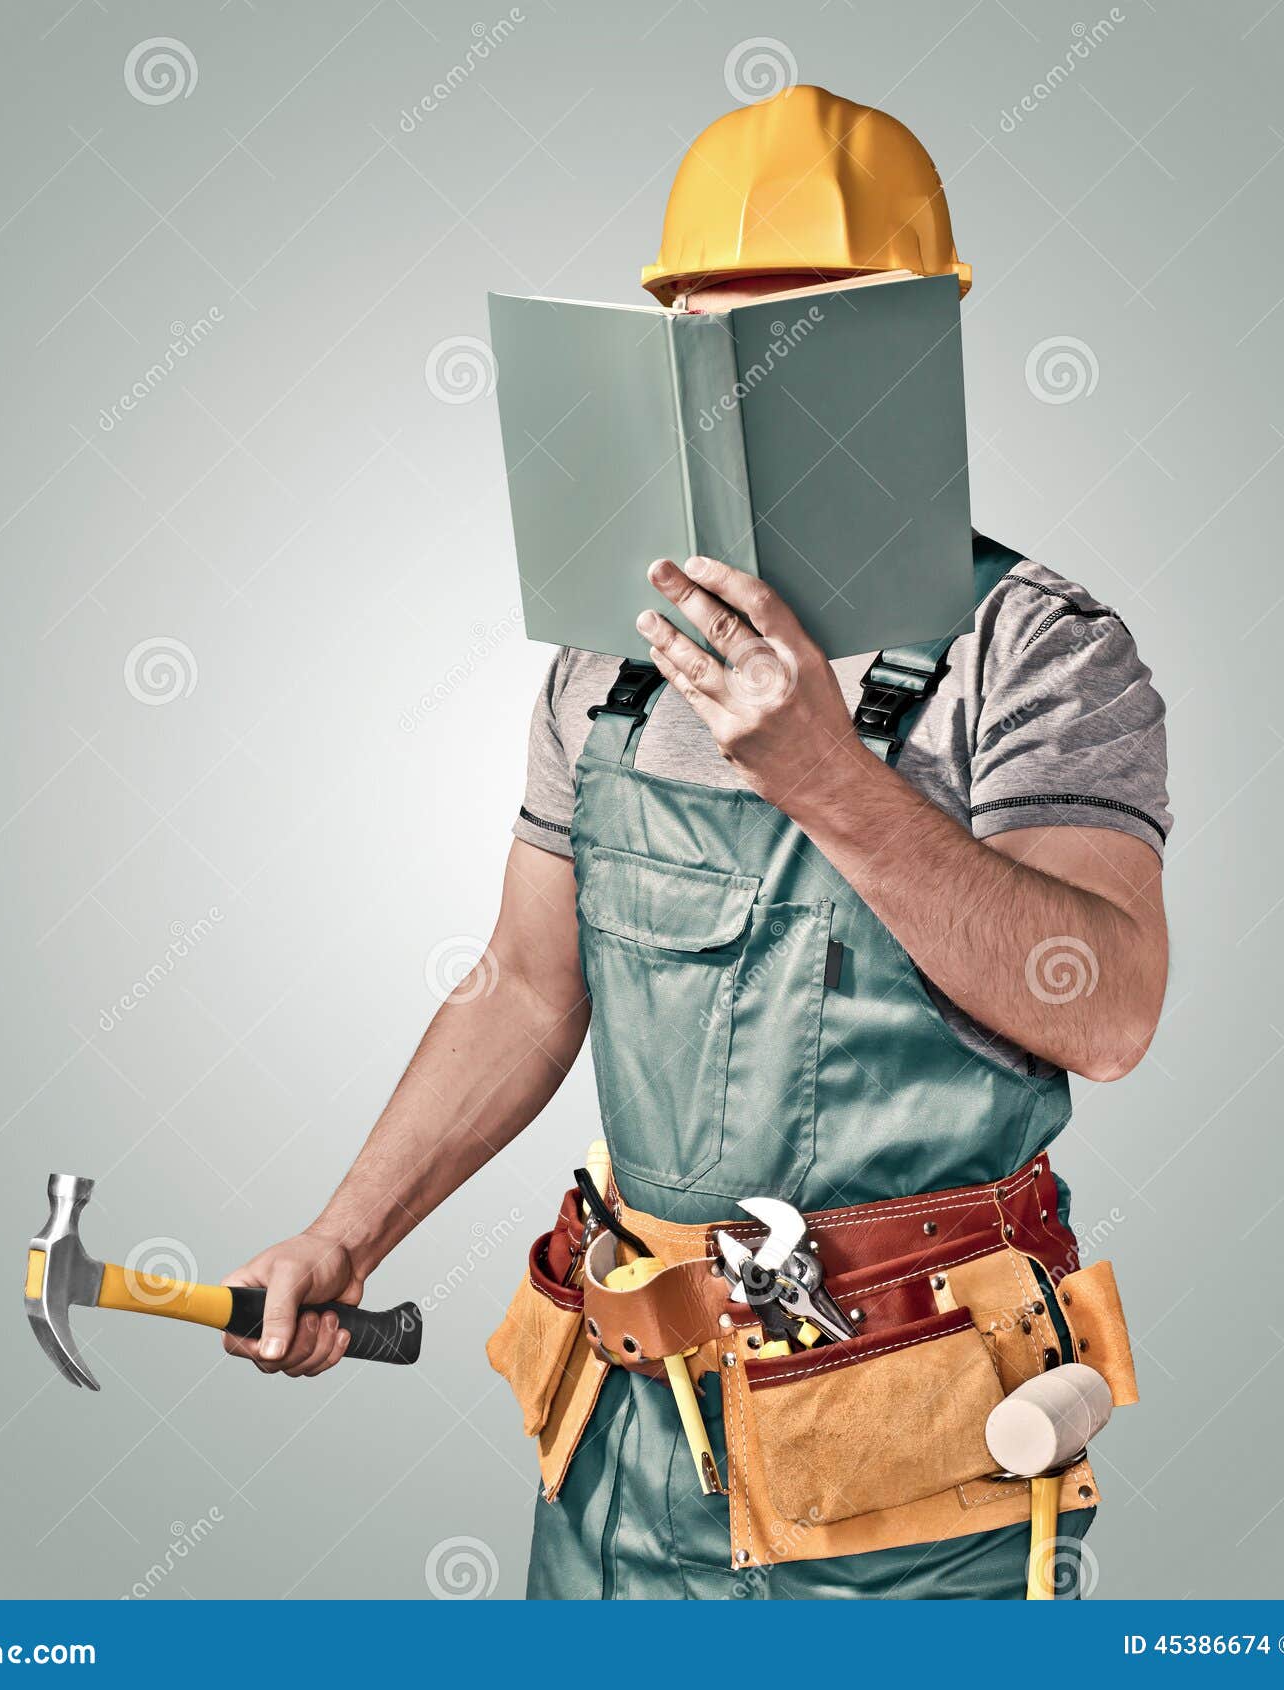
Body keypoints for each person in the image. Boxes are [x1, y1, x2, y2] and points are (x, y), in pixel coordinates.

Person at [223, 86, 1170, 1600]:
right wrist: (346, 1235)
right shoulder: (608, 672)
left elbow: (1108, 1008)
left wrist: (830, 778)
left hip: (917, 1480)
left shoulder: (1038, 652)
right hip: (625, 1457)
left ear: (918, 342)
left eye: (813, 329)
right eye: (716, 338)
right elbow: (529, 990)